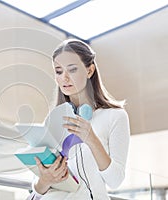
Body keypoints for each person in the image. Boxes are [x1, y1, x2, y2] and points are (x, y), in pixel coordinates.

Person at [26, 39, 130, 200]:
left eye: (72, 70)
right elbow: (38, 189)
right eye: (58, 71)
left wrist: (92, 139)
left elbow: (115, 180)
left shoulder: (115, 116)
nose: (64, 78)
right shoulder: (52, 120)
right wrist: (45, 180)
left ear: (89, 71)